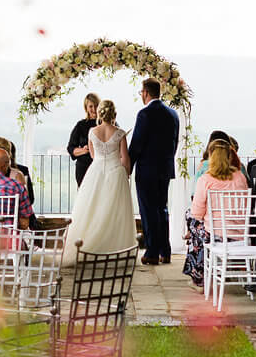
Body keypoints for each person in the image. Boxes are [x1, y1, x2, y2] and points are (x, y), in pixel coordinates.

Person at [63, 99, 137, 265]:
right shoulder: (120, 133)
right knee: (114, 211)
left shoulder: (92, 132)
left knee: (93, 207)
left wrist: (102, 162)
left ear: (101, 113)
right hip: (115, 172)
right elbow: (125, 159)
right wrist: (126, 174)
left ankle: (90, 246)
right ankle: (113, 248)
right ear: (114, 114)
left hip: (95, 172)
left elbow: (93, 155)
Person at [182, 143, 248, 290]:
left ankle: (199, 278)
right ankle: (199, 273)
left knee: (192, 222)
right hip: (240, 234)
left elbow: (197, 213)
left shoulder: (206, 180)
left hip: (215, 235)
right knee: (195, 229)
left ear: (210, 158)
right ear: (229, 157)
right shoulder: (240, 177)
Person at [129, 78, 180, 266]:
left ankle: (151, 252)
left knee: (148, 211)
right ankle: (165, 251)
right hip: (165, 169)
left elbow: (137, 145)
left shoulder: (144, 114)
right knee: (162, 209)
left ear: (145, 93)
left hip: (147, 171)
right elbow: (174, 143)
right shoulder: (173, 114)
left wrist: (128, 165)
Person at [67, 92, 100, 186]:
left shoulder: (107, 123)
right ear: (86, 108)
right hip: (84, 168)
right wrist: (84, 150)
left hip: (102, 169)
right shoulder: (80, 125)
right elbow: (70, 148)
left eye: (96, 106)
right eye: (91, 106)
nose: (94, 109)